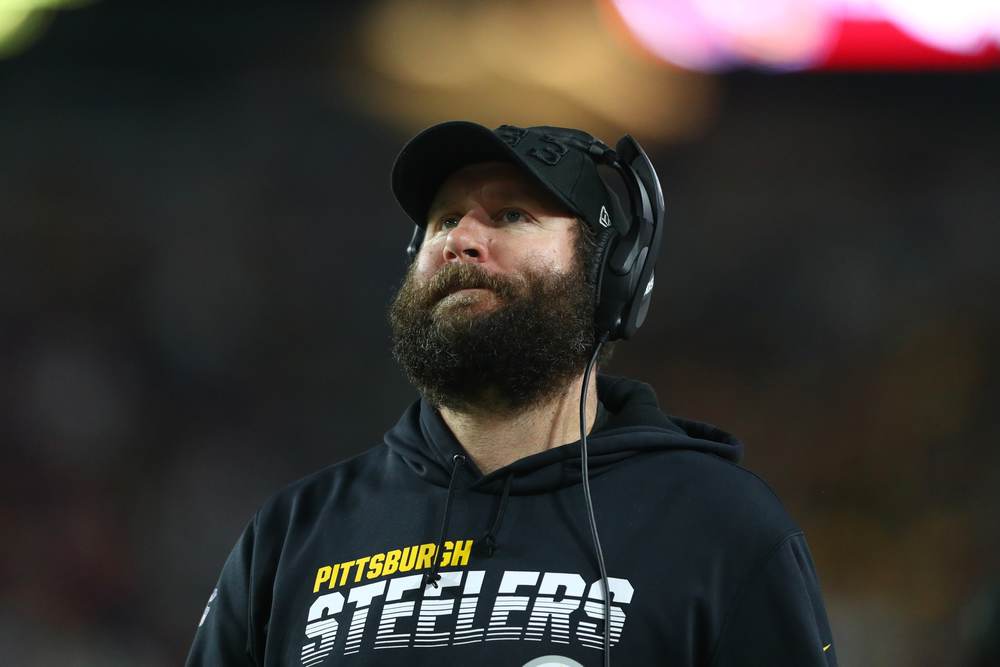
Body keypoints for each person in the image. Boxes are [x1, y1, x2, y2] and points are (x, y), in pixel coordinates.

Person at [186, 121, 837, 666]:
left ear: (609, 273)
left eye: (511, 215)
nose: (462, 240)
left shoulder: (721, 526)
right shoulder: (293, 535)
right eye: (442, 221)